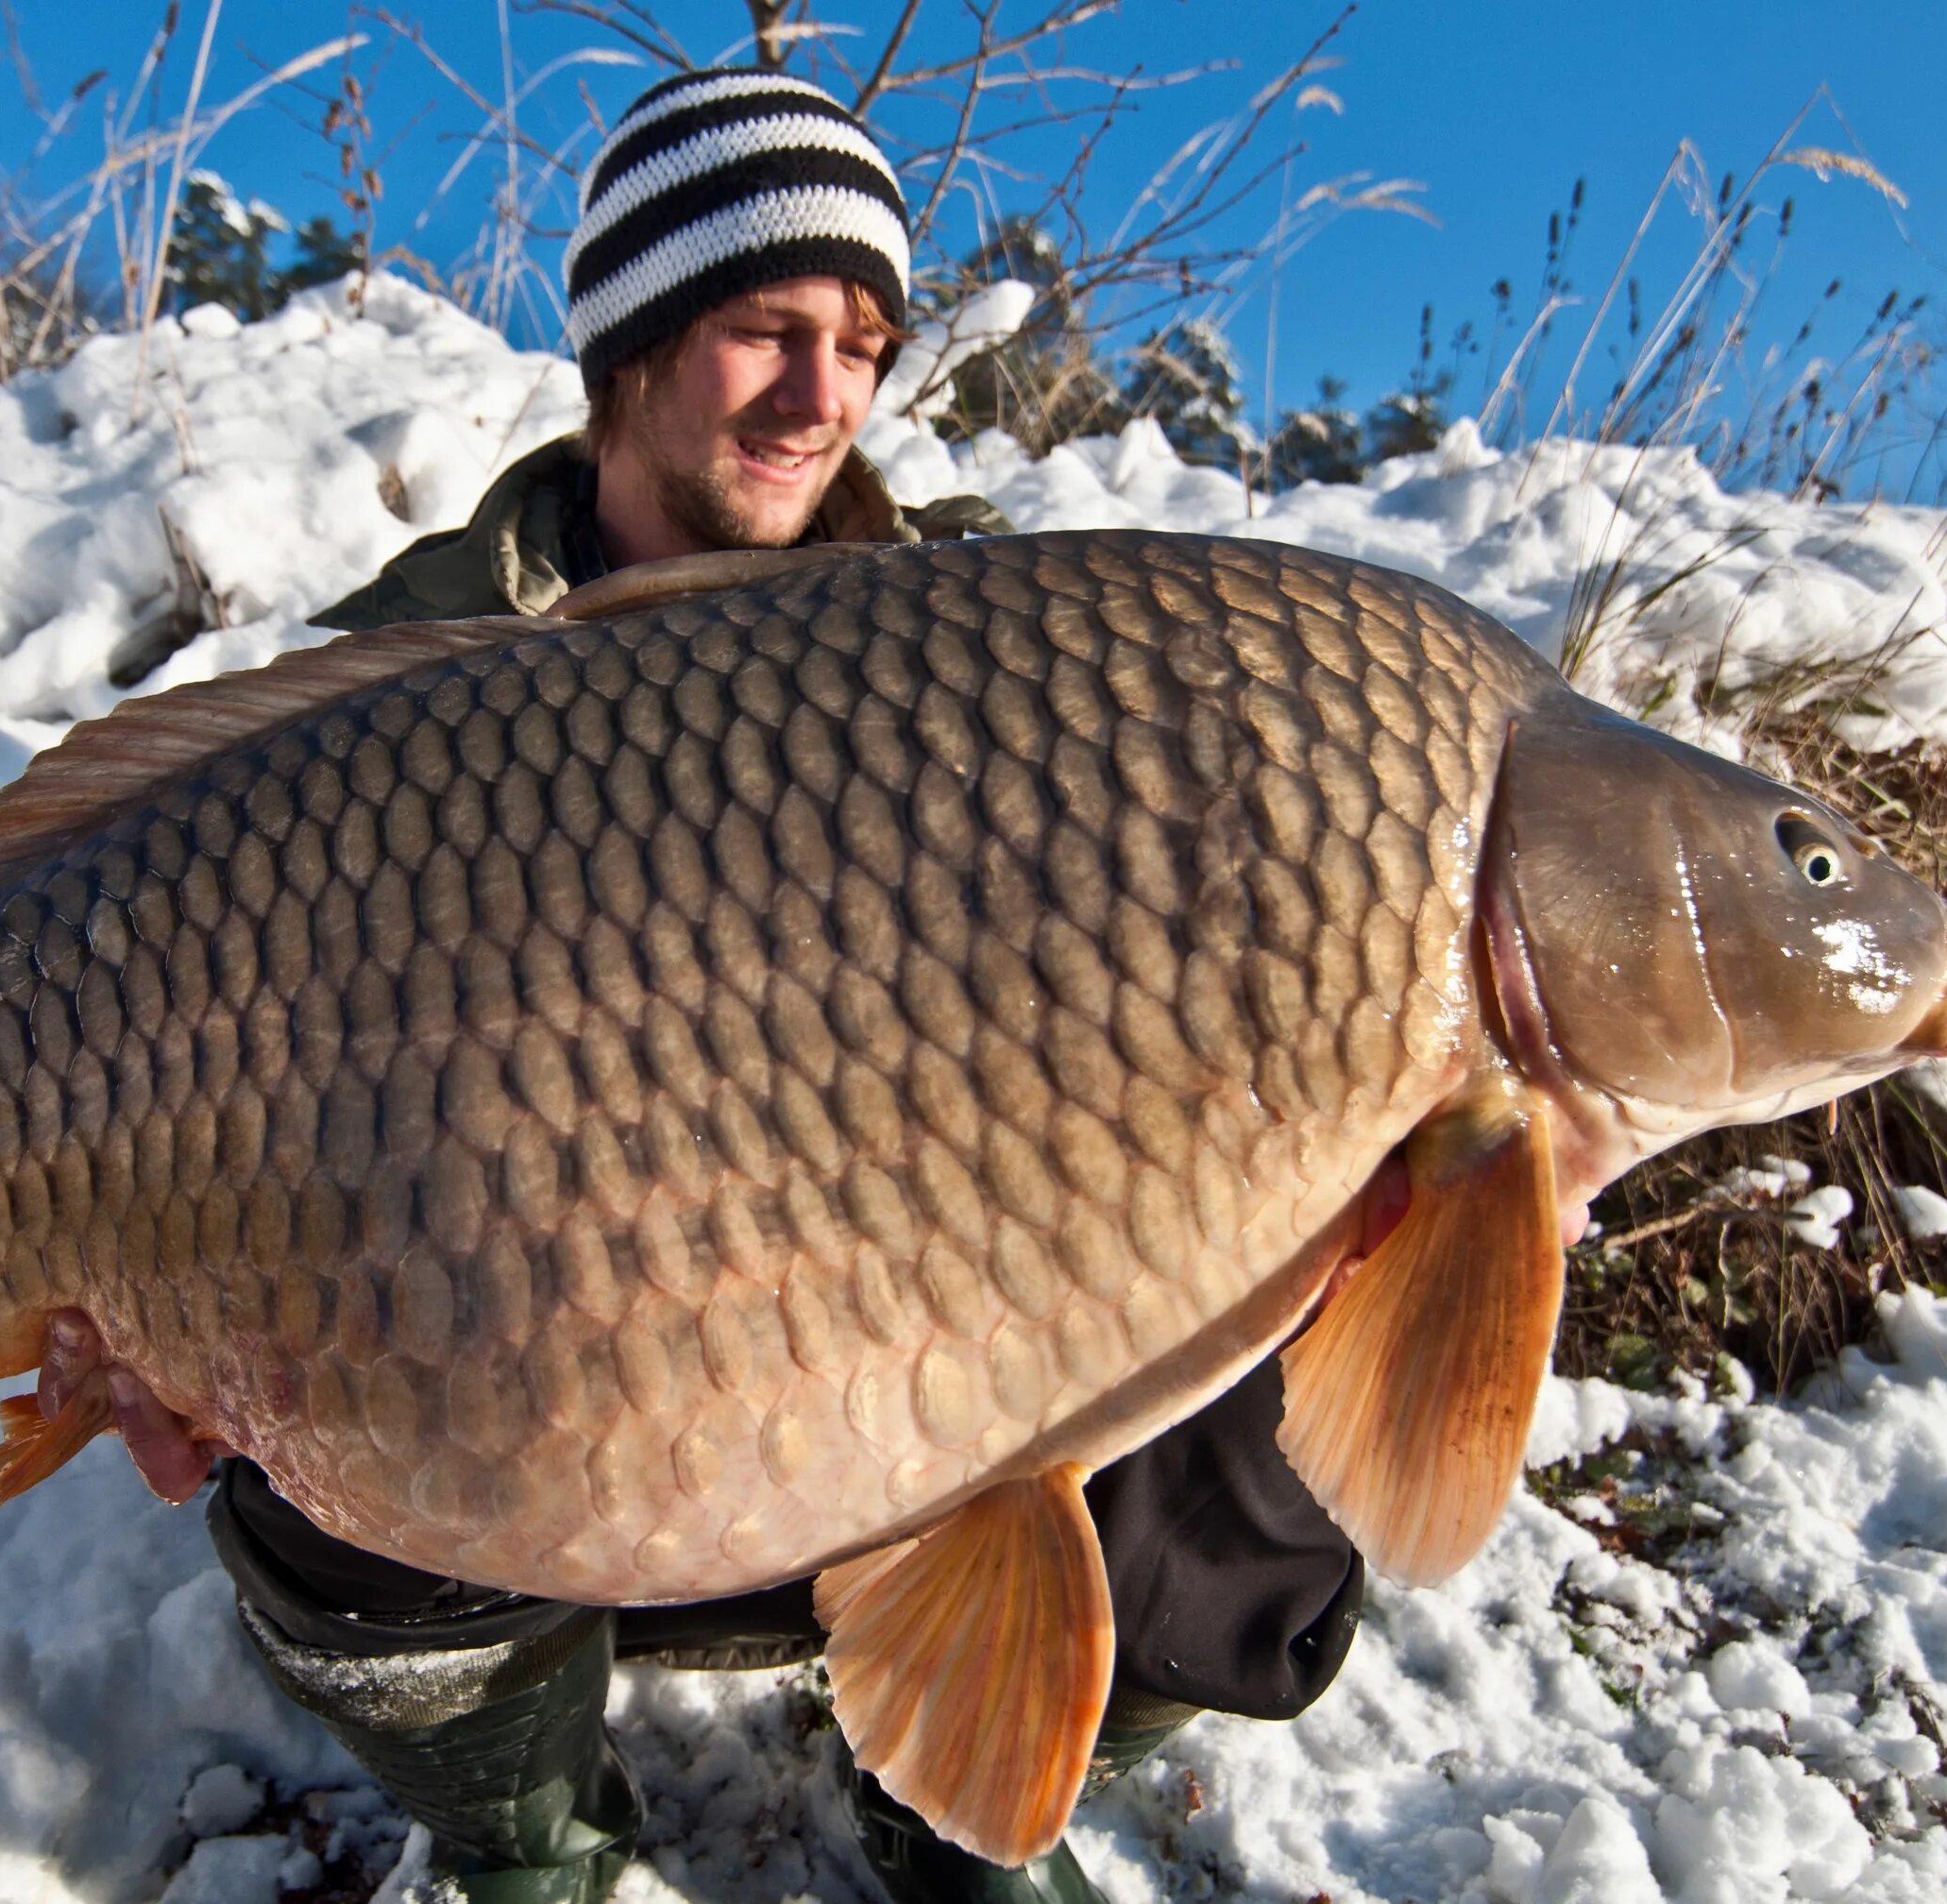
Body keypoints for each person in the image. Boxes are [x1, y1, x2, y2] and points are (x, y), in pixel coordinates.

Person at [208, 67, 1363, 1904]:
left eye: (866, 342)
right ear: (635, 348)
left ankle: (969, 1780)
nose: (828, 396)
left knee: (1287, 1340)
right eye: (767, 329)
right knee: (325, 1329)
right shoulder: (396, 680)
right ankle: (528, 1837)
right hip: (554, 1417)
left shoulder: (992, 651)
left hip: (918, 1386)